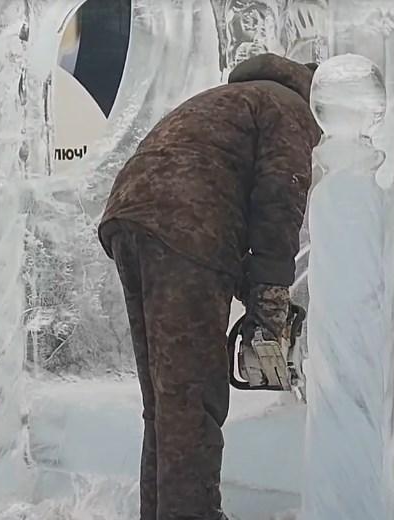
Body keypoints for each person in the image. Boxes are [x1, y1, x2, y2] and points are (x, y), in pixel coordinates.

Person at [98, 53, 320, 520]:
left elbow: (219, 183)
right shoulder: (290, 108)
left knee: (165, 399)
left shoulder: (228, 99)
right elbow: (280, 196)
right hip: (186, 226)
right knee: (193, 397)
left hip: (130, 218)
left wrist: (248, 284)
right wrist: (270, 294)